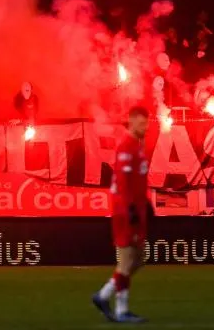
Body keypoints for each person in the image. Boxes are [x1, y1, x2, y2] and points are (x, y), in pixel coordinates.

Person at [93, 106, 150, 323]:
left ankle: (106, 297)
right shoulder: (126, 146)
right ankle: (118, 308)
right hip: (126, 211)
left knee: (138, 259)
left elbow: (135, 181)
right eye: (142, 123)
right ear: (132, 121)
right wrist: (132, 210)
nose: (145, 127)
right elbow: (124, 184)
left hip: (135, 209)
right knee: (127, 261)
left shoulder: (137, 145)